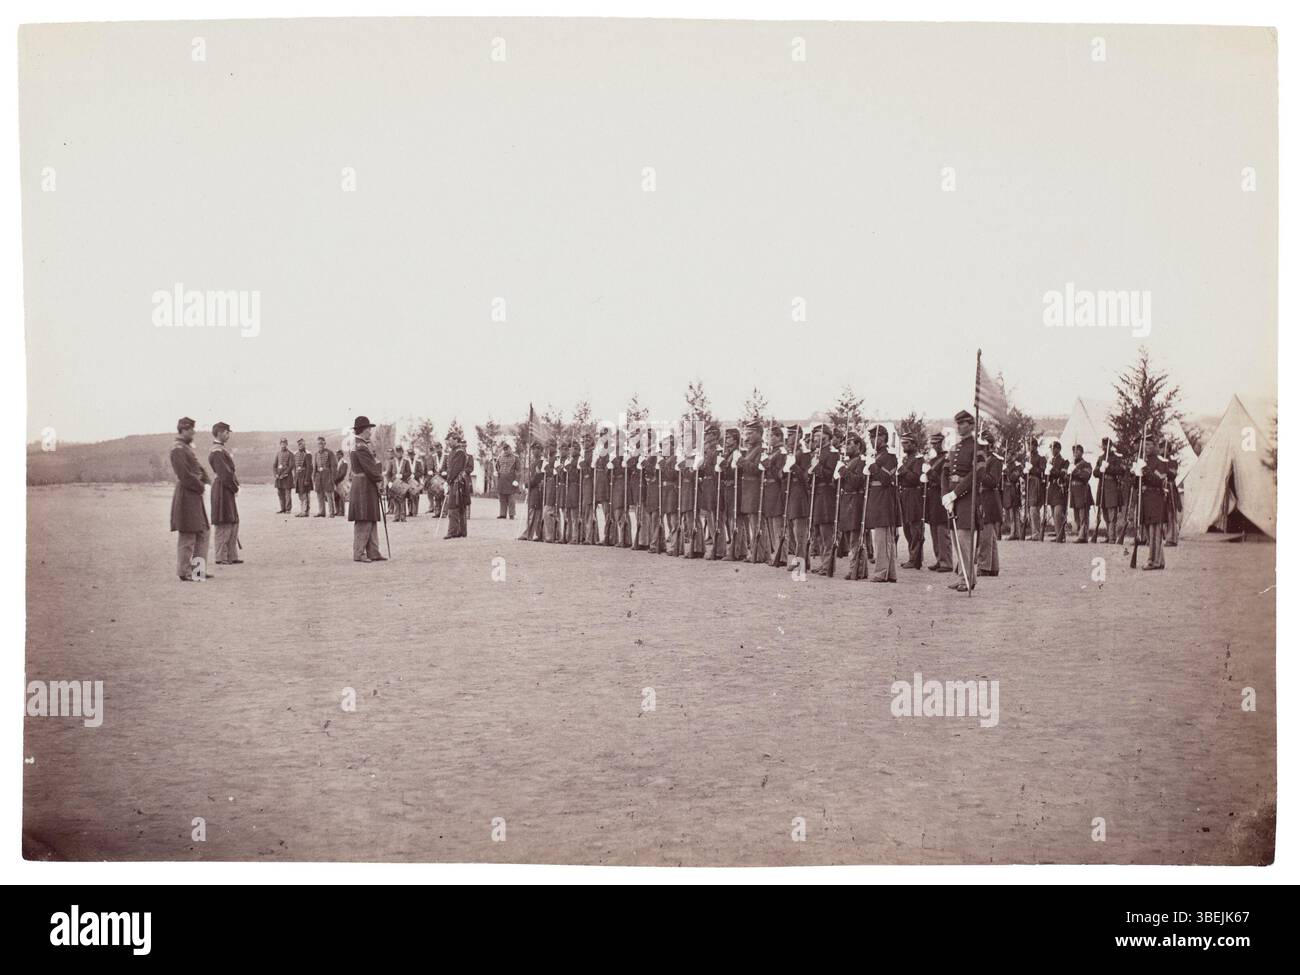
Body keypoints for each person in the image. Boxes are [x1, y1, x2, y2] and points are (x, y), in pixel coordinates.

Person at [170, 416, 211, 581]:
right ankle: (184, 571)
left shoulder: (185, 448)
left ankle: (198, 572)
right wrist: (201, 486)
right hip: (187, 495)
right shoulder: (177, 449)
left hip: (194, 495)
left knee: (202, 532)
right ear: (184, 430)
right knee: (188, 534)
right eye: (191, 429)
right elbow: (185, 475)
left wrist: (207, 481)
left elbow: (198, 468)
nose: (193, 432)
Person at [941, 411, 978, 592]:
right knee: (957, 541)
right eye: (958, 423)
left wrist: (955, 494)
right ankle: (962, 575)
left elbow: (975, 475)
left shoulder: (976, 448)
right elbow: (945, 473)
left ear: (971, 425)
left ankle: (968, 578)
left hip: (966, 499)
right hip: (952, 499)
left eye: (963, 423)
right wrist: (945, 495)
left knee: (964, 541)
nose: (959, 427)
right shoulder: (954, 448)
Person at [348, 416, 386, 563]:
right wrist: (380, 478)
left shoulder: (360, 444)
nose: (371, 432)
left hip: (365, 485)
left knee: (370, 518)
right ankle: (359, 553)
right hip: (364, 486)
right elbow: (370, 467)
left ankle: (373, 552)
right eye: (369, 429)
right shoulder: (361, 446)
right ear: (363, 430)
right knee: (364, 518)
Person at [864, 426, 898, 582]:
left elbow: (885, 479)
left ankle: (881, 572)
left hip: (884, 499)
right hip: (876, 499)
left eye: (875, 437)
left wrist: (872, 465)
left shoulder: (890, 456)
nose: (872, 440)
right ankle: (890, 573)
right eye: (870, 437)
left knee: (882, 538)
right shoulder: (876, 455)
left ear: (884, 437)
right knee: (883, 538)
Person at [208, 421, 242, 565]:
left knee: (232, 520)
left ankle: (231, 556)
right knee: (224, 521)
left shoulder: (220, 450)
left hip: (226, 488)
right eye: (227, 432)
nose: (228, 435)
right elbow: (225, 474)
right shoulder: (217, 451)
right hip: (223, 488)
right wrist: (235, 487)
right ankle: (221, 557)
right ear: (220, 432)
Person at [1135, 440, 1168, 569]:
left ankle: (1153, 561)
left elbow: (1157, 481)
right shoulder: (1145, 462)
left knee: (1155, 532)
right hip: (1146, 500)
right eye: (1145, 444)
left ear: (1155, 447)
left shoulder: (1161, 463)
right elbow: (1136, 484)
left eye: (1149, 444)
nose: (1146, 447)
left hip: (1155, 499)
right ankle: (1160, 561)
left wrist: (1144, 469)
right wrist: (1135, 473)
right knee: (1150, 532)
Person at [924, 433, 952, 572]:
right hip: (932, 496)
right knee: (934, 528)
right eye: (933, 443)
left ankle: (946, 561)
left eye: (937, 443)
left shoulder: (946, 459)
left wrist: (929, 473)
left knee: (942, 529)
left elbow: (943, 479)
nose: (935, 445)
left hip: (941, 495)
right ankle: (939, 559)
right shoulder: (934, 460)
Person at [897, 435, 926, 569]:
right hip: (905, 494)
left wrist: (903, 471)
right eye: (903, 443)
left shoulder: (918, 460)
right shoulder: (906, 459)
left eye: (907, 443)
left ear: (914, 444)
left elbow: (916, 479)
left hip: (914, 494)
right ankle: (912, 557)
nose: (904, 446)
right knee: (907, 527)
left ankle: (915, 559)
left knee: (915, 527)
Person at [976, 431, 1001, 575]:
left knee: (985, 535)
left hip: (989, 498)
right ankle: (993, 567)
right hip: (983, 497)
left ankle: (985, 566)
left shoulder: (995, 460)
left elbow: (993, 481)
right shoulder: (983, 459)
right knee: (989, 535)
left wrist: (980, 473)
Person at [1093, 437, 1123, 542]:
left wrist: (1109, 468)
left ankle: (1112, 537)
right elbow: (1094, 473)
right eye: (1104, 445)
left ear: (1111, 446)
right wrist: (1099, 470)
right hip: (1102, 487)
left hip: (1112, 487)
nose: (1105, 447)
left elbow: (1120, 471)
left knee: (1112, 514)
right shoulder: (1100, 458)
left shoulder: (1116, 458)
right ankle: (1108, 535)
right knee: (1105, 514)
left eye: (1107, 445)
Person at [442, 435, 471, 538]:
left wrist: (448, 481)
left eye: (450, 440)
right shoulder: (455, 451)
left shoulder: (459, 452)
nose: (448, 443)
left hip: (457, 482)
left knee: (453, 506)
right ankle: (461, 531)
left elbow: (455, 469)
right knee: (459, 506)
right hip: (457, 481)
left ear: (456, 440)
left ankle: (453, 531)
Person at [1068, 444, 1093, 543]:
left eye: (1077, 451)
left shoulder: (1086, 464)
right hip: (1074, 491)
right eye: (1074, 451)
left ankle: (1083, 536)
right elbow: (1067, 479)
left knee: (1083, 515)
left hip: (1082, 491)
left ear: (1082, 452)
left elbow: (1085, 476)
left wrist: (1075, 471)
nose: (1075, 453)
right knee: (1076, 516)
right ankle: (1080, 533)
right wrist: (1068, 472)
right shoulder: (1072, 464)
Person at [520, 443, 545, 541]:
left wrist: (527, 485)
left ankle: (530, 534)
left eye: (537, 449)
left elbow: (537, 478)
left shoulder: (541, 463)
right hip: (532, 490)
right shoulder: (533, 463)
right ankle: (534, 534)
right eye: (533, 449)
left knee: (534, 513)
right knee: (533, 513)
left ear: (540, 450)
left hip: (537, 490)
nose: (534, 451)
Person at [1045, 441, 1069, 542]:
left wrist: (1052, 469)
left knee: (1058, 513)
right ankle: (1059, 534)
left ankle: (1061, 535)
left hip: (1060, 488)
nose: (1052, 450)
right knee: (1054, 513)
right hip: (1052, 489)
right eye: (1051, 448)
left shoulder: (1064, 462)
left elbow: (1062, 475)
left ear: (1058, 449)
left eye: (1054, 448)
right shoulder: (1050, 461)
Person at [1024, 438, 1046, 541]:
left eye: (1032, 445)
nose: (1030, 447)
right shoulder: (1027, 458)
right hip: (1029, 483)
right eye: (1029, 445)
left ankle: (1037, 532)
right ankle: (1034, 532)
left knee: (1034, 509)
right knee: (1029, 509)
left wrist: (1031, 468)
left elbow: (1041, 473)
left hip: (1036, 484)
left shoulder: (1041, 458)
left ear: (1036, 446)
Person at [312, 436, 335, 518]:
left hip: (327, 475)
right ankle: (321, 512)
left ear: (325, 444)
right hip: (318, 476)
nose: (320, 445)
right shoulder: (316, 454)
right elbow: (315, 467)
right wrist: (314, 478)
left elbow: (333, 467)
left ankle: (331, 512)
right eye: (318, 444)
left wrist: (332, 478)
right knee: (319, 494)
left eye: (322, 443)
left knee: (329, 494)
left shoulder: (330, 453)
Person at [497, 443, 519, 520]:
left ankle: (512, 514)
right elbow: (497, 467)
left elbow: (518, 470)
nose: (506, 451)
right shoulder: (500, 457)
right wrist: (497, 473)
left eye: (507, 449)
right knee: (502, 498)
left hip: (511, 481)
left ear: (510, 448)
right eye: (504, 449)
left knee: (511, 499)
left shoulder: (515, 458)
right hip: (502, 480)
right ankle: (502, 514)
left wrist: (516, 480)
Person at [272, 437, 294, 513]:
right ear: (280, 444)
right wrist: (276, 474)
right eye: (282, 444)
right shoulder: (278, 453)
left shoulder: (290, 454)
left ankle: (288, 509)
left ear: (287, 444)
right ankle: (282, 508)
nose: (283, 445)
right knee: (280, 493)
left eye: (285, 444)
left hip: (287, 477)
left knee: (287, 493)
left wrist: (284, 474)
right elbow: (274, 465)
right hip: (279, 477)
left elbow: (291, 466)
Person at [292, 438, 313, 517]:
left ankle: (305, 511)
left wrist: (307, 479)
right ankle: (302, 511)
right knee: (300, 494)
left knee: (305, 494)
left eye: (302, 444)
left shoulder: (308, 454)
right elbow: (294, 467)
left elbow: (309, 468)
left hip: (305, 476)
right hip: (298, 477)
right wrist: (295, 477)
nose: (301, 446)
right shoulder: (295, 454)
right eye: (299, 444)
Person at [333, 448, 349, 517]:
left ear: (341, 455)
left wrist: (336, 480)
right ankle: (337, 510)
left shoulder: (344, 463)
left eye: (338, 454)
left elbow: (342, 474)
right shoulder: (336, 462)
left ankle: (342, 511)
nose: (336, 456)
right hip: (336, 481)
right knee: (336, 496)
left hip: (341, 481)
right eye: (336, 454)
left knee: (341, 496)